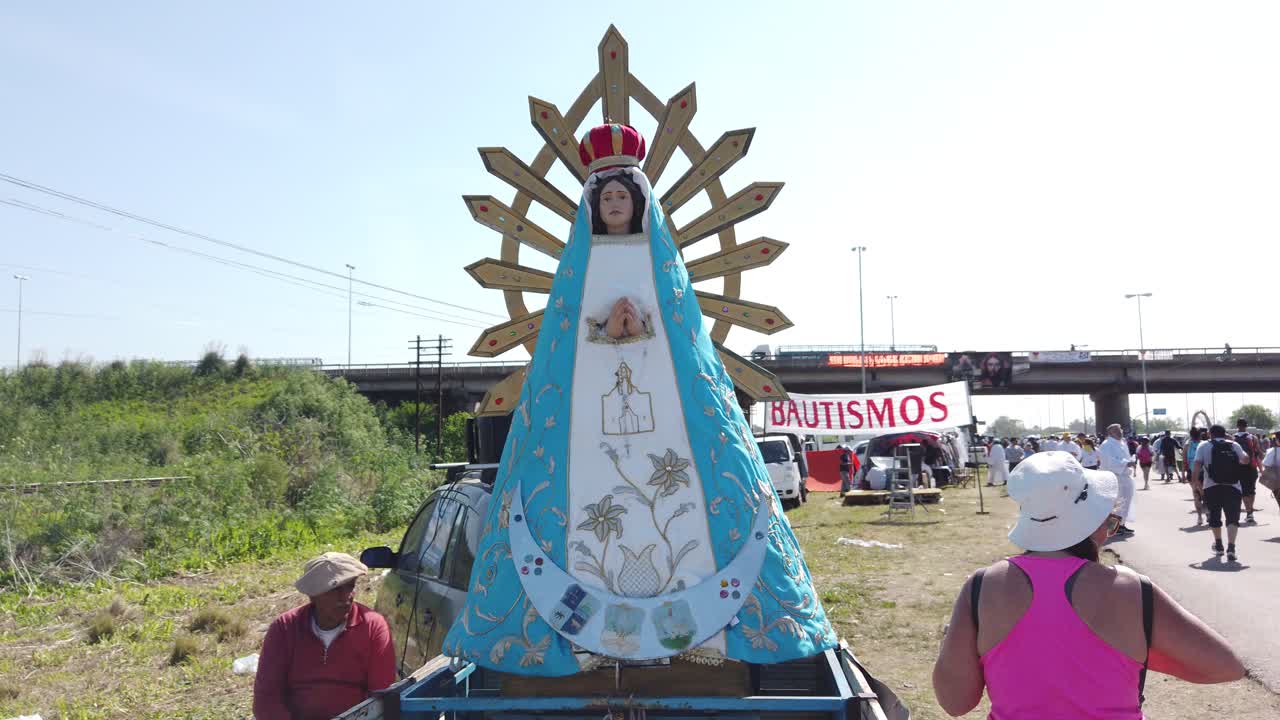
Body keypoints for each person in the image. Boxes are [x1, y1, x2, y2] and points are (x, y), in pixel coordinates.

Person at [444, 123, 837, 674]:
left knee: (686, 511)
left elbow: (682, 335)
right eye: (604, 196)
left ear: (639, 200)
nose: (613, 205)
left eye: (621, 195)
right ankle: (577, 636)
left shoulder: (659, 261)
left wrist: (640, 329)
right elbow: (564, 339)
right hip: (587, 417)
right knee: (588, 506)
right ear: (591, 204)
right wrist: (604, 333)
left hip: (667, 411)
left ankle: (712, 631)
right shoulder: (578, 268)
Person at [932, 452, 1245, 717]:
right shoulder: (1130, 589)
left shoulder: (982, 586)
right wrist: (1134, 655)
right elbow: (1225, 666)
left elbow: (955, 702)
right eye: (1110, 522)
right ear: (1094, 524)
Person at [254, 552, 397, 720]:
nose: (346, 597)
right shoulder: (284, 628)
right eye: (335, 589)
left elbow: (380, 696)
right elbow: (267, 698)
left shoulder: (372, 626)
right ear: (313, 595)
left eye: (350, 586)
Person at [1192, 425, 1251, 562]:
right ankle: (1231, 548)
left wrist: (1198, 487)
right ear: (1225, 434)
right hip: (1233, 486)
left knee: (1215, 517)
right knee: (1232, 518)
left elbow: (1196, 468)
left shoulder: (1203, 446)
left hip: (1211, 487)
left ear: (1210, 434)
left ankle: (1219, 545)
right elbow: (1245, 460)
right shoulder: (1234, 445)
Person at [1100, 424, 1136, 535]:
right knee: (1116, 503)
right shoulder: (1107, 445)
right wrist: (1126, 463)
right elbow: (1109, 462)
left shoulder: (1122, 443)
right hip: (1115, 477)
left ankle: (1121, 524)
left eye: (1120, 429)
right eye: (1117, 430)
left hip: (1125, 477)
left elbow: (1125, 457)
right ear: (1111, 432)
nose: (1120, 431)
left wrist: (1130, 461)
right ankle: (1113, 527)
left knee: (1125, 502)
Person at [1233, 418, 1263, 524]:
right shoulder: (1253, 438)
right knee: (1252, 489)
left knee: (1244, 491)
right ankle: (1250, 512)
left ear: (1237, 426)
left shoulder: (1233, 439)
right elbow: (1258, 453)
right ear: (1246, 426)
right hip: (1252, 467)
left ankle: (1249, 513)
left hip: (1239, 468)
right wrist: (1261, 469)